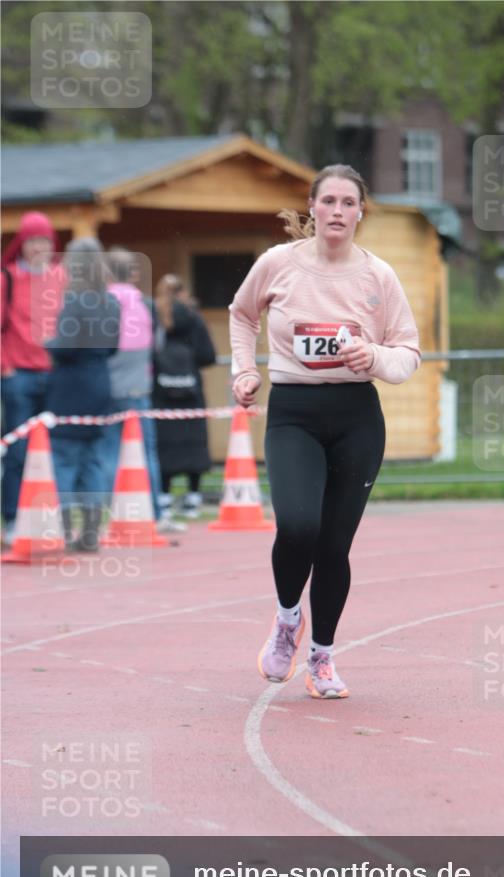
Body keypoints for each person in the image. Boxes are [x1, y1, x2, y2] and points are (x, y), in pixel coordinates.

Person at [229, 164, 421, 699]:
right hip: (293, 411)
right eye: (329, 201)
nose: (338, 211)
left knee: (334, 545)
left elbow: (408, 353)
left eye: (348, 203)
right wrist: (244, 370)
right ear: (311, 208)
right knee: (297, 526)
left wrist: (374, 354)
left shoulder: (378, 276)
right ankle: (289, 619)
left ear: (361, 212)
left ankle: (323, 658)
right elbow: (241, 315)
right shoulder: (278, 264)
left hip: (357, 416)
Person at [45, 238, 120, 551]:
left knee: (62, 460)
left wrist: (46, 343)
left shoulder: (74, 300)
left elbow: (66, 347)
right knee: (92, 462)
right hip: (100, 383)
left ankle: (61, 533)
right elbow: (113, 347)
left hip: (72, 388)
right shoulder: (111, 302)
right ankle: (90, 534)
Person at [1, 211, 67, 545]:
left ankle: (48, 517)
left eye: (43, 240)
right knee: (19, 451)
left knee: (54, 450)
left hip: (53, 376)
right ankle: (12, 518)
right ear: (21, 244)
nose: (38, 247)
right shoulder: (7, 278)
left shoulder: (61, 277)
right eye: (31, 241)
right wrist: (5, 368)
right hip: (18, 376)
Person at [101, 247, 162, 522]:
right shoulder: (146, 304)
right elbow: (157, 345)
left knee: (109, 450)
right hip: (140, 386)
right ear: (133, 274)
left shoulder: (102, 303)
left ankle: (111, 511)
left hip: (110, 387)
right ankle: (154, 511)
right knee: (146, 451)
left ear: (106, 274)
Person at [152, 274, 216, 522]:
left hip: (161, 392)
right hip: (191, 392)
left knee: (164, 443)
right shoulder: (192, 316)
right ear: (183, 293)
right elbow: (208, 354)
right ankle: (193, 498)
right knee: (194, 441)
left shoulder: (154, 314)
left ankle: (164, 498)